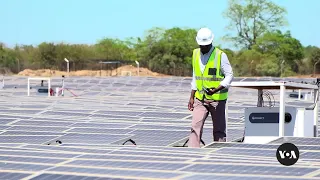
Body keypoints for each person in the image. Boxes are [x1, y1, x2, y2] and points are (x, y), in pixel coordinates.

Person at [188, 27, 234, 148]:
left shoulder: (220, 55)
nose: (203, 47)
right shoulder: (195, 53)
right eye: (201, 45)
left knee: (219, 130)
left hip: (217, 99)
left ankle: (219, 154)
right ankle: (191, 154)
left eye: (206, 45)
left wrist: (217, 89)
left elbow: (229, 75)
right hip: (200, 98)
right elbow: (195, 76)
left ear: (211, 42)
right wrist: (191, 96)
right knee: (195, 127)